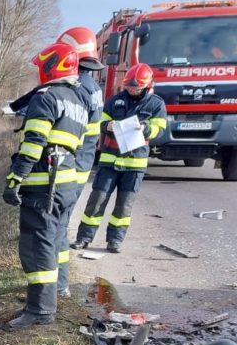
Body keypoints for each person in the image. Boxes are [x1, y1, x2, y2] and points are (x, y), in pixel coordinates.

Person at [2, 41, 87, 329]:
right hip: (65, 184)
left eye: (42, 66)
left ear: (53, 66)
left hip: (43, 188)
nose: (40, 72)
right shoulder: (78, 100)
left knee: (37, 248)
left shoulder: (46, 98)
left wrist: (15, 178)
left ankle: (40, 311)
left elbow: (34, 143)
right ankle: (40, 303)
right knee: (52, 244)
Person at [71, 63, 166, 254]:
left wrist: (145, 128)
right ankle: (83, 238)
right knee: (96, 200)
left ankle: (115, 241)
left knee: (124, 205)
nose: (132, 89)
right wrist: (107, 126)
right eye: (129, 86)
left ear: (146, 86)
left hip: (134, 165)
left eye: (136, 86)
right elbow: (100, 122)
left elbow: (160, 130)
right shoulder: (114, 101)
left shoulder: (156, 104)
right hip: (110, 161)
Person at [55, 26, 105, 298]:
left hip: (69, 168)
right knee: (60, 225)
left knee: (57, 228)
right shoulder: (93, 87)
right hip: (81, 166)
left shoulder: (77, 88)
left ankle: (58, 286)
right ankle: (57, 285)